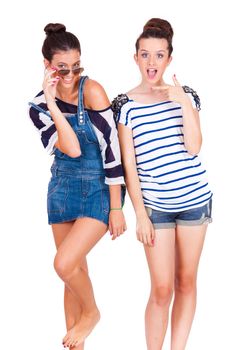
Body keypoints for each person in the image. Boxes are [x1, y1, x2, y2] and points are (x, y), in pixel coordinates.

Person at [112, 18, 212, 350]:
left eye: (159, 55)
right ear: (135, 57)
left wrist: (181, 99)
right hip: (156, 208)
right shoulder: (125, 105)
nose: (151, 62)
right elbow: (130, 166)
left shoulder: (186, 95)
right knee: (162, 289)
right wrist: (140, 214)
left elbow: (195, 146)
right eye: (145, 55)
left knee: (186, 283)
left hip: (194, 200)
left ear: (169, 58)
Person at [29, 23, 126, 349]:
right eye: (61, 68)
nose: (69, 75)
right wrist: (54, 103)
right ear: (47, 65)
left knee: (63, 264)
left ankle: (93, 313)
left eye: (75, 67)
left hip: (98, 187)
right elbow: (69, 147)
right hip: (61, 190)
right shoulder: (37, 106)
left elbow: (112, 152)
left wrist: (116, 206)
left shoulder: (93, 91)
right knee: (72, 276)